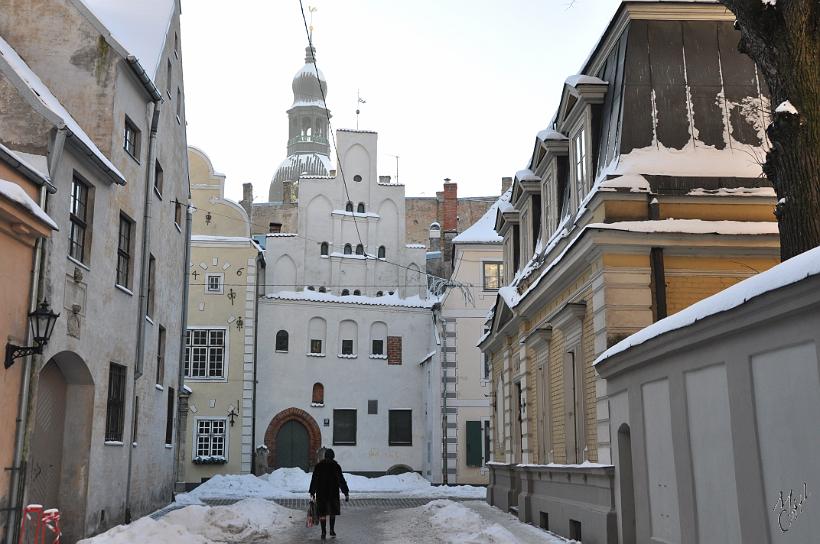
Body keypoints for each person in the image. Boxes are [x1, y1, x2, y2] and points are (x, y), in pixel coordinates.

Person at [309, 448, 349, 539]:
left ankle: (323, 532)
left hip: (321, 493)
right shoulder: (336, 466)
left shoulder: (318, 466)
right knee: (332, 512)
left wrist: (312, 492)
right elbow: (341, 480)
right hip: (333, 493)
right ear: (333, 456)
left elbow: (314, 480)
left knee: (322, 513)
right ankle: (332, 530)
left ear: (325, 456)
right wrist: (346, 492)